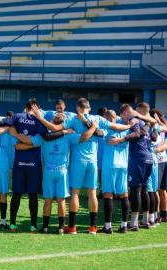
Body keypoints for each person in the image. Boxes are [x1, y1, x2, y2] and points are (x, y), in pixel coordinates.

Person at [31, 98, 132, 235]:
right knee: (92, 194)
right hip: (93, 162)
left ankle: (72, 227)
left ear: (78, 108)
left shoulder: (73, 118)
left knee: (75, 194)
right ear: (89, 108)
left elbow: (54, 128)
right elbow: (116, 127)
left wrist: (38, 116)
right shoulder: (97, 118)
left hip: (78, 162)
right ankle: (93, 227)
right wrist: (129, 126)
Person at [0, 99, 48, 233]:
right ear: (37, 108)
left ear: (25, 107)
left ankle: (12, 224)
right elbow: (43, 137)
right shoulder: (40, 120)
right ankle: (33, 226)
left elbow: (1, 124)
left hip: (19, 163)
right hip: (34, 164)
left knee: (16, 193)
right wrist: (32, 143)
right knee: (33, 195)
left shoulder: (18, 116)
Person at [113, 104, 156, 231]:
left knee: (135, 190)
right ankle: (146, 221)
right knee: (144, 189)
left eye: (123, 115)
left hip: (139, 160)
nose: (124, 118)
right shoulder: (145, 123)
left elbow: (137, 134)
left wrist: (121, 139)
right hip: (149, 158)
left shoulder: (134, 120)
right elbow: (154, 137)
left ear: (125, 113)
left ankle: (134, 223)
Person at [101, 110, 130, 234]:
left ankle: (108, 226)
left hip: (110, 165)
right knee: (124, 194)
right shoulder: (126, 130)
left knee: (108, 194)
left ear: (107, 117)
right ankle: (123, 225)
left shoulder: (107, 129)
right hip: (123, 165)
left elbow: (100, 132)